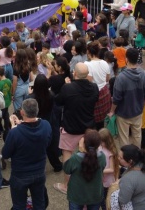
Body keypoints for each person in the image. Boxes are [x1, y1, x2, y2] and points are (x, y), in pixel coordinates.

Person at [54, 62, 99, 195]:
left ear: (75, 73)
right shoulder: (94, 87)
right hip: (88, 128)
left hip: (70, 127)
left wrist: (66, 86)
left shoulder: (68, 88)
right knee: (90, 153)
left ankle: (66, 185)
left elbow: (58, 101)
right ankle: (90, 180)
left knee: (67, 153)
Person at [2, 98, 52, 210]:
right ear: (37, 111)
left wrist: (15, 127)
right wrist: (20, 124)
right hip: (39, 172)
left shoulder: (15, 133)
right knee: (39, 203)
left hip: (20, 175)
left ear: (22, 112)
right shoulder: (46, 125)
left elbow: (5, 154)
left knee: (19, 205)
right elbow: (48, 142)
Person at [108, 48, 145, 148]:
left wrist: (112, 111)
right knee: (137, 135)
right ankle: (136, 157)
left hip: (123, 113)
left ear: (126, 59)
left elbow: (116, 98)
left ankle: (126, 159)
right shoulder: (144, 75)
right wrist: (141, 106)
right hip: (138, 111)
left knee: (123, 137)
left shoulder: (121, 77)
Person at [27, 73, 62, 172]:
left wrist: (29, 94)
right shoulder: (51, 94)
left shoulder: (31, 97)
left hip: (36, 123)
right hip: (49, 121)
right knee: (51, 147)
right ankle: (57, 165)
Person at [63, 129, 106, 210]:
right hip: (95, 194)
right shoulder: (102, 157)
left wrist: (79, 151)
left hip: (76, 195)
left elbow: (66, 169)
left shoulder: (76, 158)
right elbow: (103, 167)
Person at [99, 128, 120, 210]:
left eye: (101, 141)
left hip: (108, 181)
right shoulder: (101, 148)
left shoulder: (110, 152)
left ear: (106, 141)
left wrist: (99, 170)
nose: (100, 143)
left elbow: (112, 169)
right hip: (102, 179)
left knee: (105, 201)